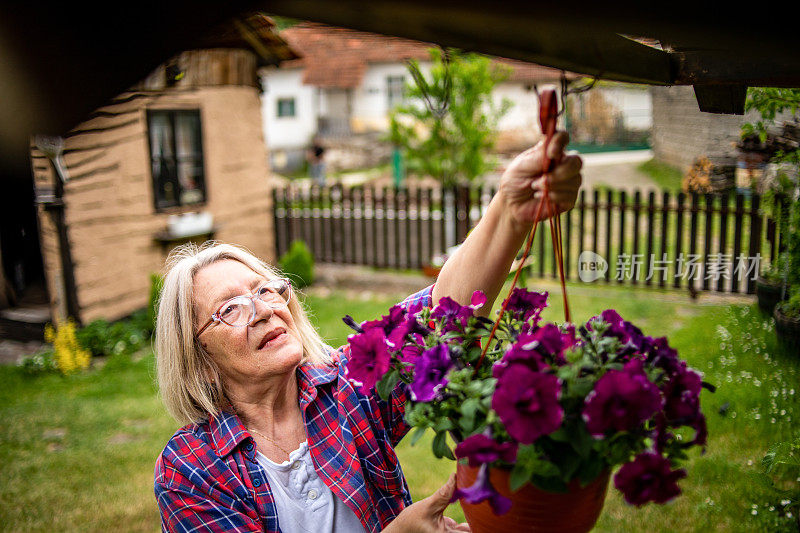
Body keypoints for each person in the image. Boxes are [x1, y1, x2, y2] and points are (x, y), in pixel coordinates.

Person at [153, 132, 582, 532]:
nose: (264, 310)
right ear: (200, 359)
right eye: (231, 309)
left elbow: (441, 316)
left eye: (265, 289)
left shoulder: (346, 386)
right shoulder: (191, 469)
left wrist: (509, 208)